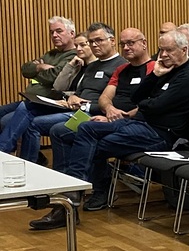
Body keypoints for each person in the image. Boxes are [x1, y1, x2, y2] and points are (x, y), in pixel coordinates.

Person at [54, 29, 189, 213]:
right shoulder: (165, 70)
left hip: (160, 134)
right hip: (139, 124)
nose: (163, 55)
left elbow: (154, 106)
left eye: (169, 50)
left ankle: (80, 193)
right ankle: (74, 190)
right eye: (161, 50)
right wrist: (154, 76)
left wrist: (146, 103)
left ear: (184, 50)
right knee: (86, 128)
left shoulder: (188, 78)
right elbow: (136, 97)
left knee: (93, 145)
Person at [30, 29, 155, 228]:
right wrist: (109, 110)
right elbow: (105, 97)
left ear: (144, 43)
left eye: (131, 43)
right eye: (124, 44)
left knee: (88, 134)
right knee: (59, 131)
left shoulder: (153, 69)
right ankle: (62, 191)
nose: (126, 48)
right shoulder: (122, 70)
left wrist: (118, 116)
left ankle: (90, 192)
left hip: (129, 122)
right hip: (105, 117)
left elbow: (150, 104)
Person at [0, 23, 124, 163]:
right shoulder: (92, 66)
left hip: (89, 113)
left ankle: (16, 158)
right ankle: (12, 157)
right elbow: (75, 90)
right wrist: (72, 97)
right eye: (91, 42)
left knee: (35, 124)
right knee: (26, 107)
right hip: (74, 108)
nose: (94, 45)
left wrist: (84, 105)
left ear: (112, 41)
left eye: (99, 40)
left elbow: (117, 101)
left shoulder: (121, 66)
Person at [1, 16, 77, 131]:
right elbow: (25, 69)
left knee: (6, 121)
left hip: (49, 103)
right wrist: (41, 67)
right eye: (52, 32)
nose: (54, 35)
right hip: (32, 99)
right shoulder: (50, 54)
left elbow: (54, 77)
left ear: (72, 33)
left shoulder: (74, 55)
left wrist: (36, 72)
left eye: (59, 31)